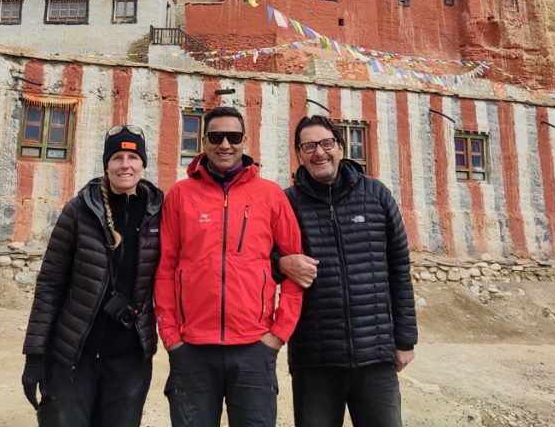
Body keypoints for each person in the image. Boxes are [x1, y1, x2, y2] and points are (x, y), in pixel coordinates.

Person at [154, 105, 304, 427]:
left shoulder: (271, 195)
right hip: (191, 349)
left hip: (253, 349)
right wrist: (171, 337)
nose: (225, 144)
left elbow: (296, 269)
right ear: (204, 142)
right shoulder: (180, 195)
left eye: (233, 137)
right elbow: (165, 269)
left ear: (244, 140)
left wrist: (277, 335)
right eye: (216, 136)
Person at [278, 115, 417, 427]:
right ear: (300, 154)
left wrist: (405, 340)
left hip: (375, 355)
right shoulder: (286, 203)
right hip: (315, 359)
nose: (319, 153)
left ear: (340, 148)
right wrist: (280, 263)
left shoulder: (376, 195)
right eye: (309, 146)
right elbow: (258, 259)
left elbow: (399, 269)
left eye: (327, 143)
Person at [21, 125, 163, 427]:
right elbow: (50, 284)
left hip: (129, 360)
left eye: (132, 157)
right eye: (117, 157)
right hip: (75, 356)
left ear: (143, 164)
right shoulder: (79, 211)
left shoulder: (159, 213)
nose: (125, 164)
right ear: (106, 164)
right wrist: (35, 355)